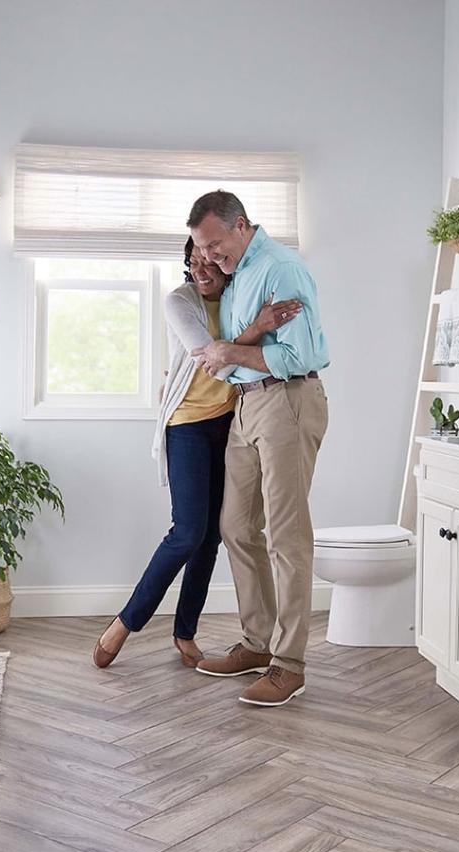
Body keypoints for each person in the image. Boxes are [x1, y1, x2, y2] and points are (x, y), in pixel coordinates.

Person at [92, 238, 300, 669]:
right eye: (193, 262)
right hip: (186, 424)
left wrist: (257, 328)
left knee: (212, 536)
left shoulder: (234, 298)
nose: (202, 269)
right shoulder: (179, 300)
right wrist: (257, 329)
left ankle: (185, 630)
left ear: (225, 264)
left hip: (228, 424)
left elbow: (239, 357)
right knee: (186, 531)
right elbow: (215, 361)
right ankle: (124, 623)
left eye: (209, 261)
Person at [188, 190, 330, 707]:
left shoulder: (280, 268)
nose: (210, 257)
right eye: (203, 250)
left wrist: (231, 351)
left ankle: (289, 664)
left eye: (216, 245)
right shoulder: (237, 273)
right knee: (236, 526)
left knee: (286, 535)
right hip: (247, 405)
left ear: (241, 224)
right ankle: (257, 642)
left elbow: (301, 353)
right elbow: (227, 356)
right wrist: (232, 351)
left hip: (288, 400)